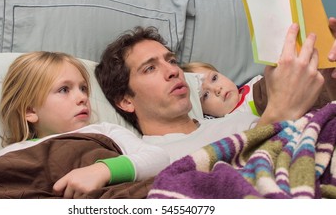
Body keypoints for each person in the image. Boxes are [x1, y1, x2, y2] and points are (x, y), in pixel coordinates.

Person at [95, 19, 336, 162]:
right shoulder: (152, 157)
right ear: (126, 101)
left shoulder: (237, 119)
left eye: (171, 61)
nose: (173, 71)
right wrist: (281, 111)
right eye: (150, 68)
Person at [0, 51, 169, 198]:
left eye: (83, 88)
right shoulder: (14, 152)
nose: (83, 98)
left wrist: (102, 171)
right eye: (64, 89)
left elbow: (159, 158)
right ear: (30, 111)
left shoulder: (105, 131)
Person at [181, 61, 333, 119]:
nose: (217, 89)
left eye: (214, 78)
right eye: (205, 95)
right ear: (205, 113)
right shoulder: (232, 118)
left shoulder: (252, 83)